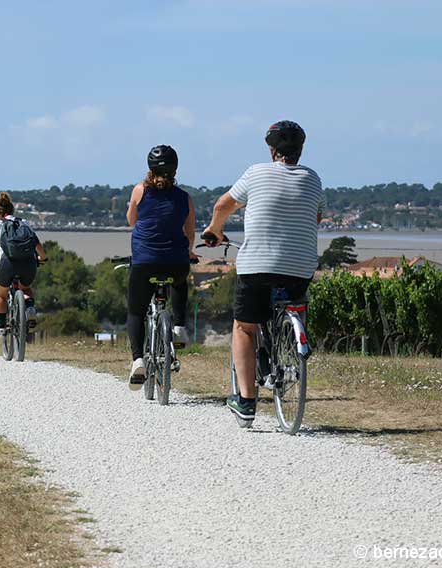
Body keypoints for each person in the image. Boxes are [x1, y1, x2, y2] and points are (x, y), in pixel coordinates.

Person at [202, 120, 324, 423]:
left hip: (257, 266)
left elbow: (223, 205)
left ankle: (245, 402)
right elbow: (317, 217)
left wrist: (214, 230)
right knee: (290, 303)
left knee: (245, 327)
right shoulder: (313, 179)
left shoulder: (256, 173)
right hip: (300, 268)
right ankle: (292, 334)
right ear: (301, 150)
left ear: (272, 151)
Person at [125, 145, 197, 387]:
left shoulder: (139, 190)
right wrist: (189, 252)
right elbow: (189, 232)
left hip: (145, 262)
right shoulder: (185, 197)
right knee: (180, 282)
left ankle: (137, 360)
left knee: (136, 311)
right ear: (175, 169)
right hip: (176, 261)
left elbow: (131, 220)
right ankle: (178, 327)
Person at [0, 192, 48, 341]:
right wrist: (42, 258)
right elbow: (36, 244)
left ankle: (0, 329)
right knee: (26, 288)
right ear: (12, 210)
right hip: (28, 262)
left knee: (0, 295)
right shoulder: (24, 222)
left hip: (8, 262)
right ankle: (30, 308)